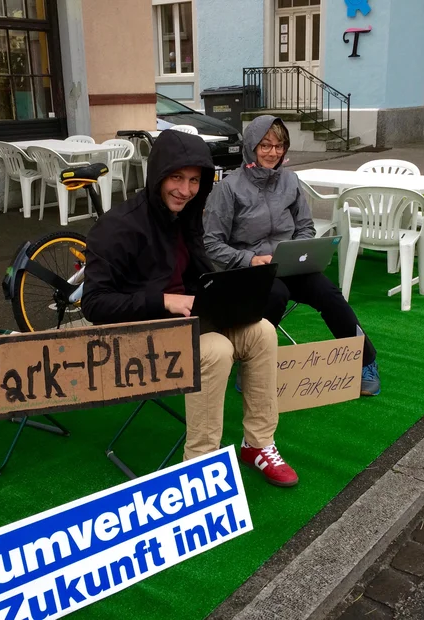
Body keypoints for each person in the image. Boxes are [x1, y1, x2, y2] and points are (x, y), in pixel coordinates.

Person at [79, 129, 298, 487]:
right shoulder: (116, 227)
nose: (185, 190)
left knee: (262, 331)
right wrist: (163, 300)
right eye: (176, 178)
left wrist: (224, 295)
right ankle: (200, 466)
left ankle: (258, 444)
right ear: (158, 175)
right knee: (216, 349)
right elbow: (94, 304)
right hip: (137, 337)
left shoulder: (187, 217)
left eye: (195, 180)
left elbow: (197, 279)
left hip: (188, 323)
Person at [203, 114, 381, 396]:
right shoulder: (228, 188)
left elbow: (305, 226)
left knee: (328, 293)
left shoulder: (290, 181)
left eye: (279, 146)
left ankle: (365, 361)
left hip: (288, 264)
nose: (273, 152)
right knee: (276, 293)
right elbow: (212, 243)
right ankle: (250, 363)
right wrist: (249, 259)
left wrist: (299, 250)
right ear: (251, 146)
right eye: (265, 146)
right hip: (250, 270)